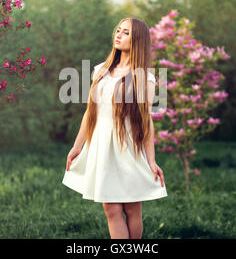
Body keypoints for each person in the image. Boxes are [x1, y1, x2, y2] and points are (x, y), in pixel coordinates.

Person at [62, 18, 167, 239]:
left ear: (137, 39)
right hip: (101, 145)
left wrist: (151, 160)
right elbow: (91, 112)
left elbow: (147, 121)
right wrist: (77, 146)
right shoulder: (101, 70)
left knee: (131, 209)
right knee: (111, 209)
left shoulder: (144, 78)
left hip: (128, 146)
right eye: (118, 30)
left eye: (126, 32)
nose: (118, 35)